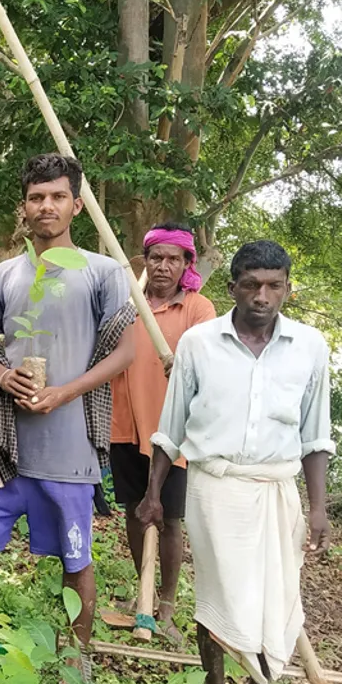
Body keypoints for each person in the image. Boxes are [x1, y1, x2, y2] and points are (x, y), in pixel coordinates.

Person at [0, 153, 136, 684]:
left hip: (70, 445)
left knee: (76, 558)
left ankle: (77, 666)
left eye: (56, 196)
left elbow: (126, 351)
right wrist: (3, 375)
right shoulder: (4, 275)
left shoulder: (103, 272)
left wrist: (66, 392)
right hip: (2, 440)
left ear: (77, 204)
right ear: (24, 207)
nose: (45, 206)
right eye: (35, 197)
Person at [142, 239, 332, 684]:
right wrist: (153, 493)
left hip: (277, 490)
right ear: (233, 288)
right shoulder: (200, 343)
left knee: (278, 599)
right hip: (215, 487)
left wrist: (317, 509)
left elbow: (316, 436)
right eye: (252, 285)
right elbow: (171, 426)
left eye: (274, 286)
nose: (263, 296)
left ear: (288, 289)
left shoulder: (311, 348)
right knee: (220, 595)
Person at [109, 222, 216, 644]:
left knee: (170, 519)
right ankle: (144, 595)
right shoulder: (127, 303)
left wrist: (188, 367)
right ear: (145, 261)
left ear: (187, 263)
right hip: (126, 422)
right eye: (156, 258)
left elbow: (208, 364)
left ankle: (167, 606)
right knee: (136, 510)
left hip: (175, 432)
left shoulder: (197, 309)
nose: (163, 267)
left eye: (174, 259)